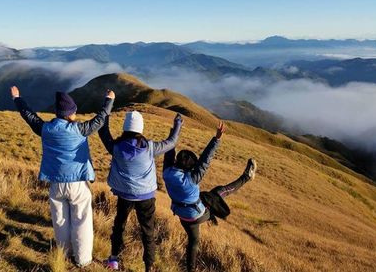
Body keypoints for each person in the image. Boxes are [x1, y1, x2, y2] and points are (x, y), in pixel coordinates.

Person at [10, 86, 115, 267]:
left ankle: (64, 254)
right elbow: (100, 119)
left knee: (60, 220)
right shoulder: (80, 129)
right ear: (71, 113)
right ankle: (82, 260)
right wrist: (109, 100)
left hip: (56, 183)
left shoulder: (45, 129)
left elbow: (29, 116)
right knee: (81, 220)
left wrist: (17, 98)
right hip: (78, 184)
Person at [162, 122, 257, 272]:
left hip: (181, 213)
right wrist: (217, 139)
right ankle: (246, 177)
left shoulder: (166, 172)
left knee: (193, 241)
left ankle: (190, 269)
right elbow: (205, 160)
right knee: (220, 191)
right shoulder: (192, 178)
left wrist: (173, 133)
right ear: (189, 168)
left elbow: (169, 152)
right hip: (197, 214)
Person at [98, 111, 183, 272]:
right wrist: (177, 124)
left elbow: (103, 131)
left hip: (125, 194)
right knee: (148, 231)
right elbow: (171, 142)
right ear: (140, 128)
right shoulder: (150, 148)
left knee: (119, 225)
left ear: (125, 128)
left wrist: (106, 111)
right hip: (146, 196)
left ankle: (114, 259)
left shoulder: (116, 147)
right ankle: (148, 267)